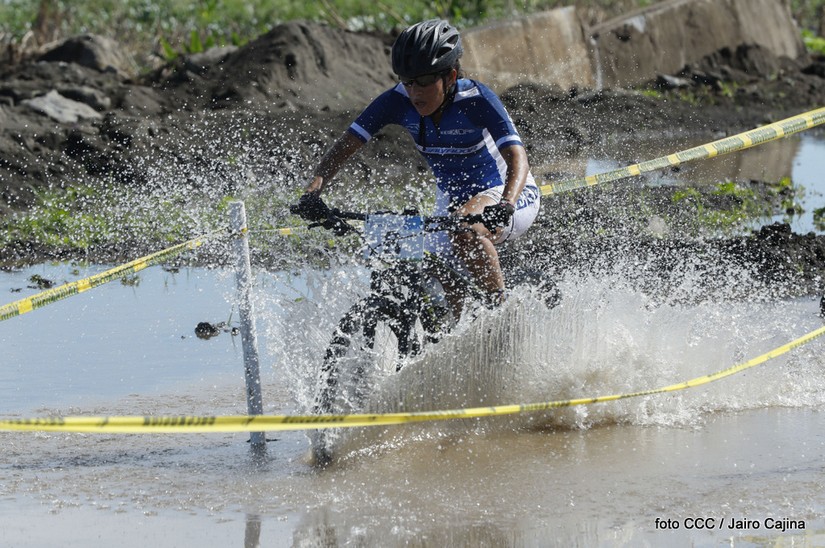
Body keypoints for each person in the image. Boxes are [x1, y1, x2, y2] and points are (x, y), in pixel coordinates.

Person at [292, 18, 540, 316]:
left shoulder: (477, 99)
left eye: (423, 81)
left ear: (449, 76)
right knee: (434, 266)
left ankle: (502, 316)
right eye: (407, 81)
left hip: (507, 191)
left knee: (465, 231)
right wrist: (312, 192)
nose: (414, 91)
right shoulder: (396, 100)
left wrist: (507, 204)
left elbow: (517, 156)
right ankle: (457, 334)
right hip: (452, 197)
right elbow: (346, 145)